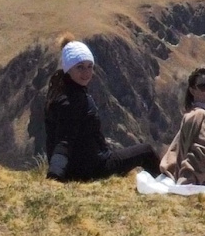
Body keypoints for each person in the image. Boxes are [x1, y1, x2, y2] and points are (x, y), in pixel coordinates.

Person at [43, 38, 161, 182]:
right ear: (69, 69)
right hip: (94, 169)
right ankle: (167, 188)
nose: (86, 72)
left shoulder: (62, 92)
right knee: (146, 151)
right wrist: (54, 177)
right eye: (80, 67)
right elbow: (64, 141)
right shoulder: (72, 100)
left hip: (78, 168)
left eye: (90, 66)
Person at [159, 66, 205, 187]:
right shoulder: (199, 115)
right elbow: (199, 153)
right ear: (192, 90)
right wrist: (187, 184)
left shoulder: (193, 114)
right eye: (204, 86)